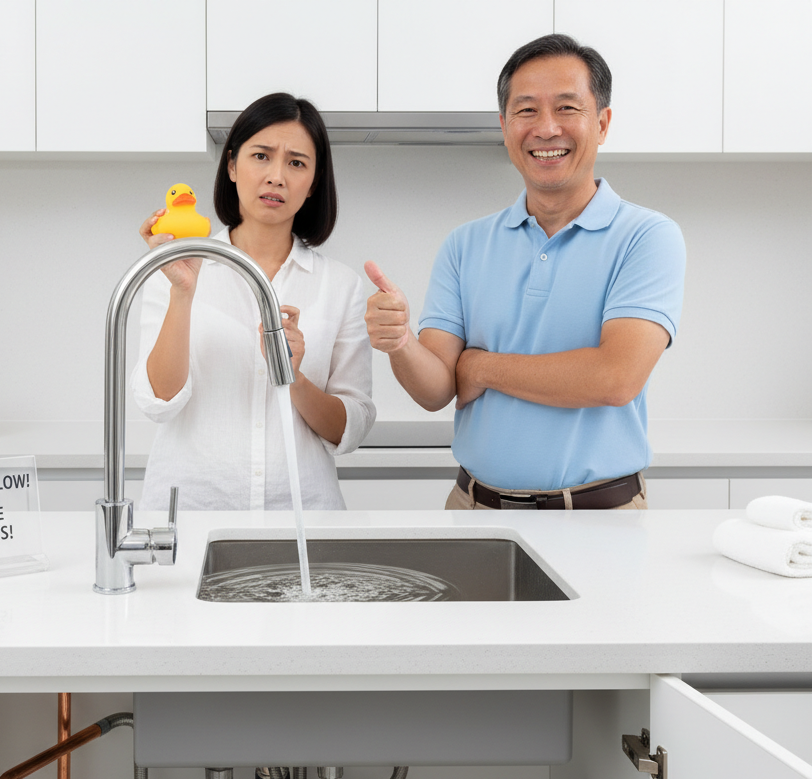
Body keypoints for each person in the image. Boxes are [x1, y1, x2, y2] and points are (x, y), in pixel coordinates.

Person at [365, 34, 686, 511]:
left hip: (601, 518)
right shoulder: (464, 244)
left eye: (567, 108)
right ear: (504, 125)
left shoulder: (647, 236)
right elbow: (436, 390)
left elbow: (614, 378)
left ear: (602, 123)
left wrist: (480, 366)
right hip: (473, 510)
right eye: (527, 110)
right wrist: (400, 343)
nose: (546, 128)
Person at [132, 92, 375, 511]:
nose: (276, 176)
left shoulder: (341, 287)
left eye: (296, 162)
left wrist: (293, 376)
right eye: (261, 156)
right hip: (190, 515)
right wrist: (183, 292)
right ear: (231, 165)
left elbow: (348, 430)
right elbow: (159, 400)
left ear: (313, 182)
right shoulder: (176, 267)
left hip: (303, 521)